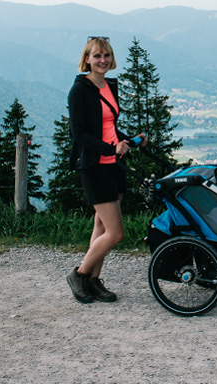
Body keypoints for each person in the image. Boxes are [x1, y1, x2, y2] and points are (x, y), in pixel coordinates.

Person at [66, 36, 146, 303]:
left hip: (114, 166)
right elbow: (79, 134)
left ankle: (93, 281)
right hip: (95, 166)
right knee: (116, 233)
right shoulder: (79, 90)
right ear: (87, 59)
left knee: (101, 228)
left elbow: (108, 126)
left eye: (106, 55)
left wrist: (130, 139)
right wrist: (110, 149)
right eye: (97, 56)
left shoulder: (110, 85)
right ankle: (79, 274)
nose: (102, 60)